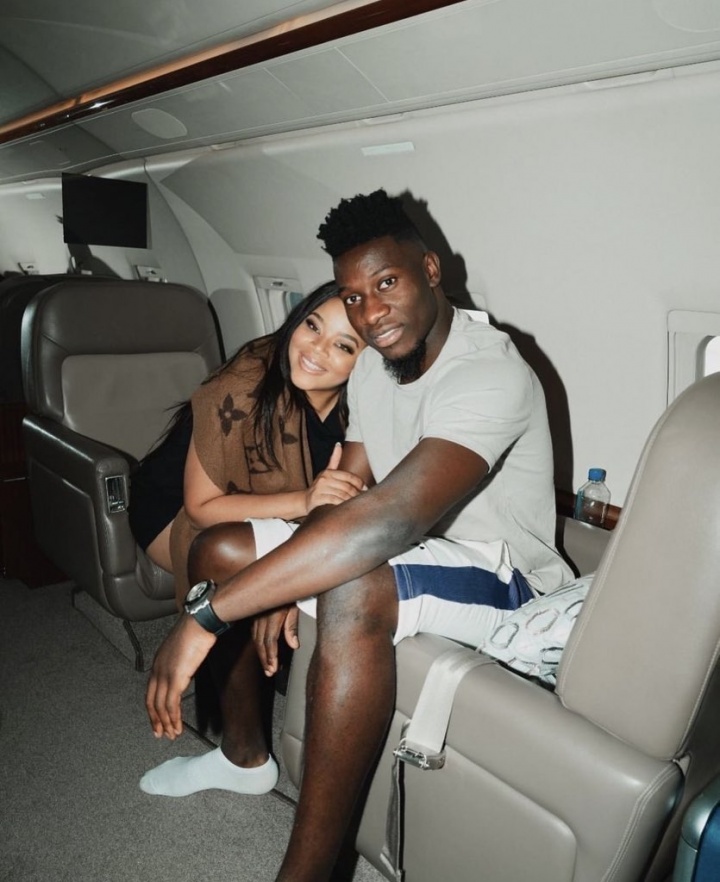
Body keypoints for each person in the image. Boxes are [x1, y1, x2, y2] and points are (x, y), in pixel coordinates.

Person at [143, 189, 573, 881]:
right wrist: (280, 575)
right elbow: (348, 487)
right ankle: (243, 758)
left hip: (505, 575)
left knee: (354, 584)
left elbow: (390, 519)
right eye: (353, 297)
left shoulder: (487, 371)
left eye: (386, 284)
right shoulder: (376, 362)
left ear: (430, 270)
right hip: (417, 548)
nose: (370, 314)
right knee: (220, 550)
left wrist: (205, 617)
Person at [134, 281, 366, 797]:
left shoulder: (368, 407)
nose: (315, 349)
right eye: (312, 325)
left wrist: (287, 572)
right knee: (230, 562)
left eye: (343, 345)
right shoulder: (243, 383)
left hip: (274, 514)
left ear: (365, 362)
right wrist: (303, 507)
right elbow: (203, 508)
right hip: (173, 511)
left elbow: (349, 508)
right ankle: (243, 756)